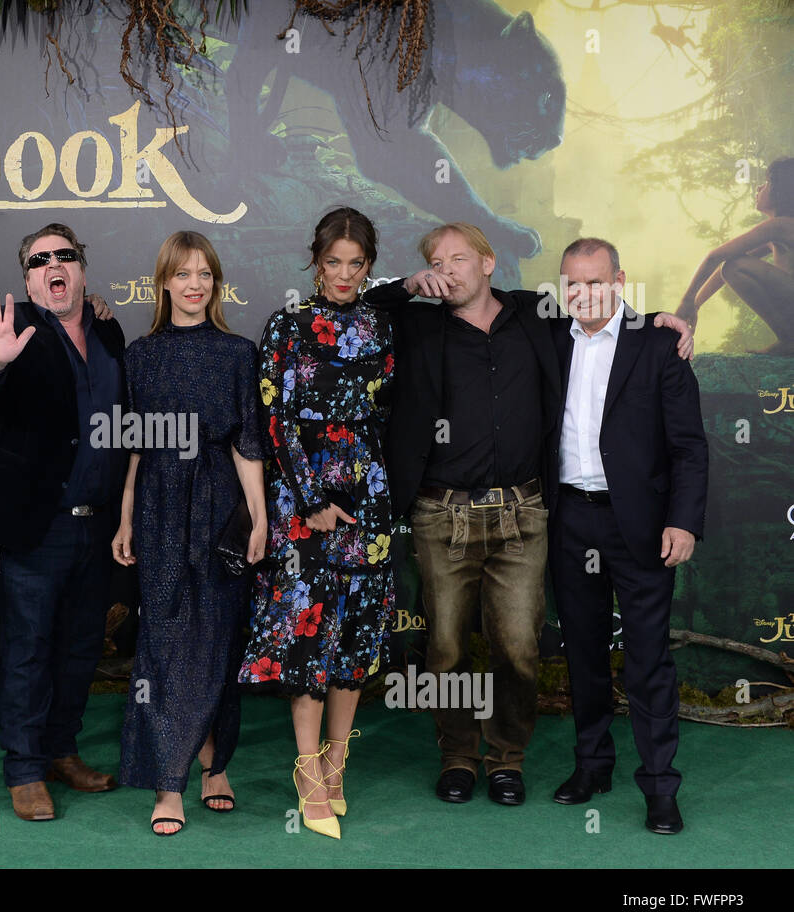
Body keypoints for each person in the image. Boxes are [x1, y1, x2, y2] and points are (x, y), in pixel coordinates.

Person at [365, 222, 693, 808]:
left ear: (489, 263)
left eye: (459, 258)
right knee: (444, 649)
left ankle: (509, 760)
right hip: (447, 515)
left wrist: (665, 320)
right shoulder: (416, 321)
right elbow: (361, 302)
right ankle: (459, 757)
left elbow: (613, 320)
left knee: (520, 646)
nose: (448, 270)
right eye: (436, 262)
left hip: (529, 512)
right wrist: (409, 284)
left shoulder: (534, 316)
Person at [0, 223, 127, 821]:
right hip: (38, 525)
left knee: (80, 648)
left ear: (81, 267)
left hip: (97, 524)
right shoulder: (12, 329)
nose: (54, 265)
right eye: (40, 260)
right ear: (27, 277)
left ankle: (60, 750)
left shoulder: (108, 327)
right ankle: (23, 769)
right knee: (28, 649)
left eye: (65, 256)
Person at [238, 208, 396, 840]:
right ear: (316, 260)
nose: (344, 274)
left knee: (355, 639)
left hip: (370, 495)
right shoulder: (288, 326)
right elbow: (275, 421)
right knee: (310, 639)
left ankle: (336, 769)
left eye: (356, 264)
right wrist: (308, 502)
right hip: (305, 501)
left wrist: (375, 489)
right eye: (333, 262)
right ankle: (306, 774)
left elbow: (387, 413)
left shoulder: (381, 326)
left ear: (368, 267)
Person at [548, 237, 707, 834]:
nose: (584, 294)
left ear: (619, 280)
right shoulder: (546, 337)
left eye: (596, 281)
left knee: (646, 660)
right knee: (583, 652)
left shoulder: (660, 343)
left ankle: (661, 787)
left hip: (639, 523)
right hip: (569, 519)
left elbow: (689, 447)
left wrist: (684, 519)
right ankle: (592, 765)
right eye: (572, 283)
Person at [112, 231, 266, 836]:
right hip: (157, 503)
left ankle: (213, 763)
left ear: (216, 283)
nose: (195, 285)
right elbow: (132, 446)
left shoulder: (237, 351)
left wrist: (258, 516)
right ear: (164, 284)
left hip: (221, 500)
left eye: (205, 274)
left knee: (221, 637)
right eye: (183, 274)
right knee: (164, 639)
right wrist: (125, 513)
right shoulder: (140, 355)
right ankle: (167, 779)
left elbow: (248, 441)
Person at [675, 157, 794, 353]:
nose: (759, 188)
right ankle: (789, 338)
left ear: (779, 191)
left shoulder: (781, 226)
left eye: (767, 183)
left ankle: (789, 339)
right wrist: (695, 304)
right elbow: (723, 267)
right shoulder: (779, 230)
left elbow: (716, 257)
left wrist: (686, 301)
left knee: (734, 266)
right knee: (732, 265)